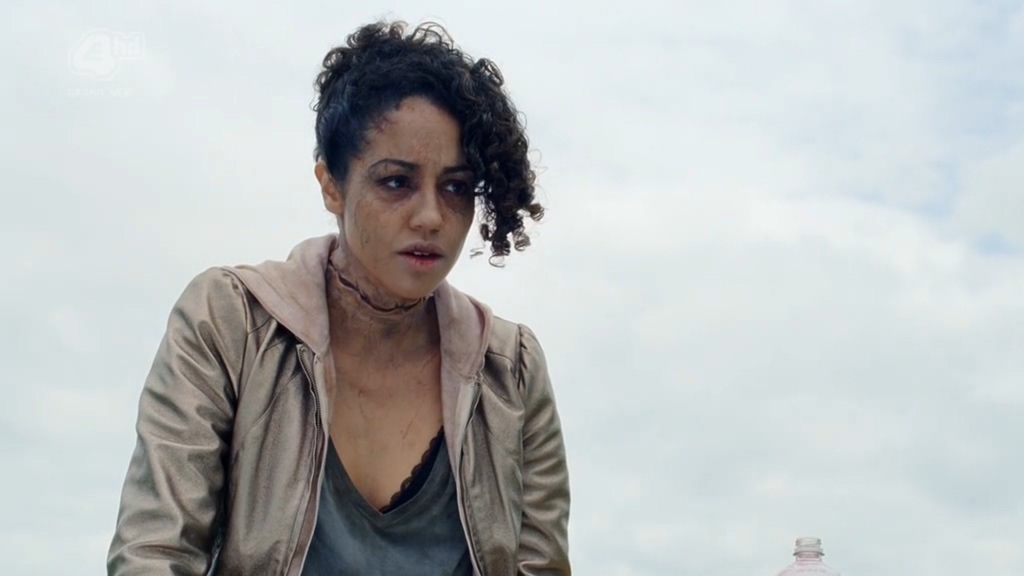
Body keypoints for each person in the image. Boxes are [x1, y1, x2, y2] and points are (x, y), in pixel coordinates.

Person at [106, 20, 571, 576]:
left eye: (455, 187)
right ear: (331, 184)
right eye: (396, 181)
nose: (430, 216)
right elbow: (156, 553)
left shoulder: (511, 368)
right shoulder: (231, 321)